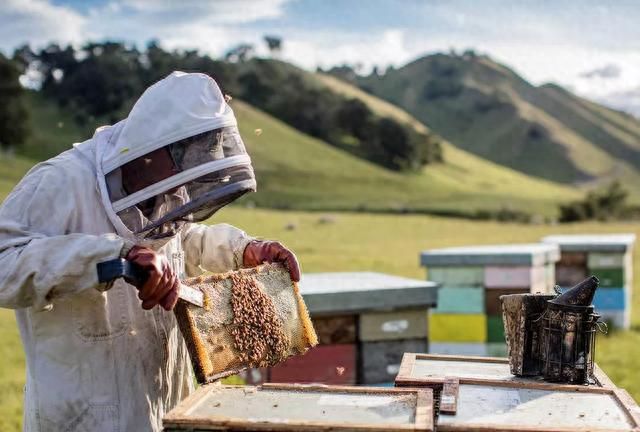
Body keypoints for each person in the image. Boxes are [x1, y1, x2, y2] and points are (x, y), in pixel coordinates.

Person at [0, 71, 300, 432]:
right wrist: (110, 259)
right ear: (157, 147)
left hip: (165, 407)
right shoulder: (58, 182)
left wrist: (243, 250)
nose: (188, 175)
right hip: (83, 419)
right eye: (187, 157)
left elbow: (183, 240)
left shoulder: (166, 190)